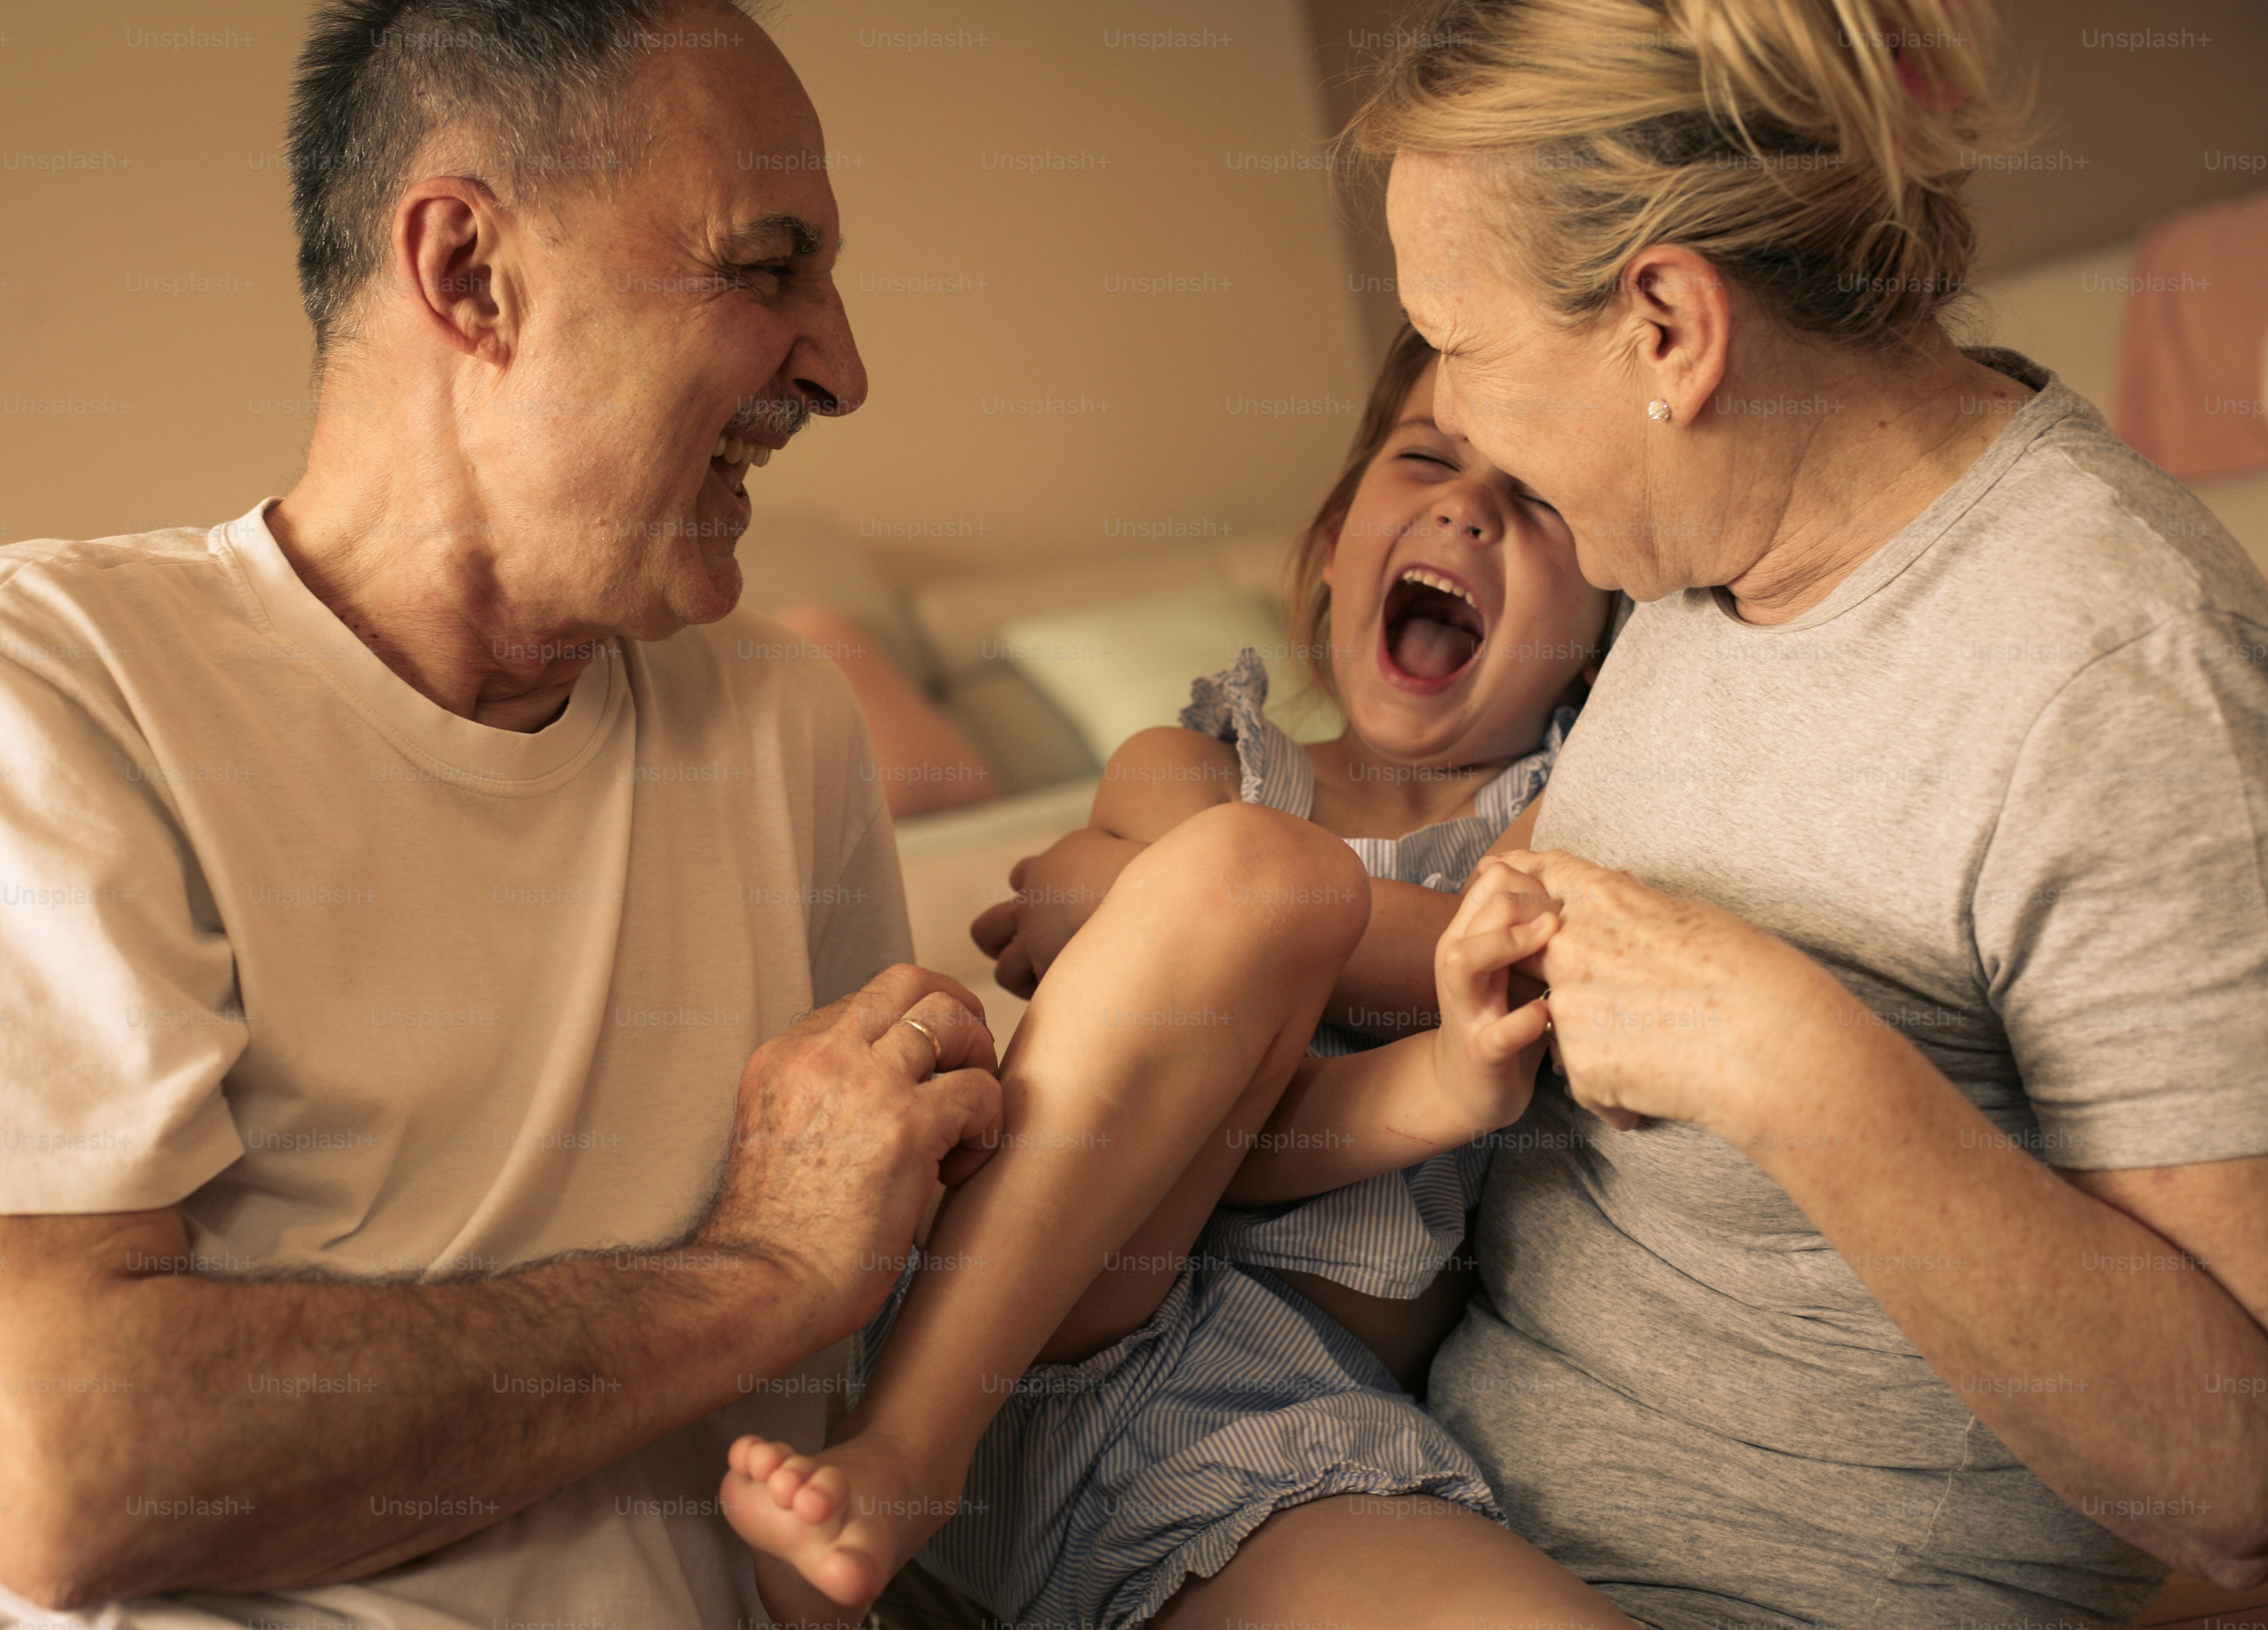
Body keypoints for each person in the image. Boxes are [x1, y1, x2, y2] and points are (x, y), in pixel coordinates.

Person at [0, 4, 1004, 1628]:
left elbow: (882, 1364)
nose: (843, 366)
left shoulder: (779, 731)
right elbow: (78, 1466)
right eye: (765, 268)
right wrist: (756, 1275)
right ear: (468, 275)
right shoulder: (35, 673)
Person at [1332, 2, 2266, 1627]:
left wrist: (1793, 1066)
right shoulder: (1693, 553)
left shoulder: (2116, 671)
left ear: (1670, 331)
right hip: (1438, 1505)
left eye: (1459, 342)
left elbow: (2247, 1489)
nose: (1455, 417)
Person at [721, 326, 1640, 1630]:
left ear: (1614, 613)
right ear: (1333, 539)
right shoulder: (1196, 762)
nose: (1467, 506)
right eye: (1426, 455)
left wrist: (1107, 891)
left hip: (1277, 1441)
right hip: (1043, 1320)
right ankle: (899, 1463)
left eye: (1539, 494)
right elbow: (1198, 1054)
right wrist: (1372, 995)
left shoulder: (1566, 819)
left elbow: (1282, 1034)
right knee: (1263, 876)